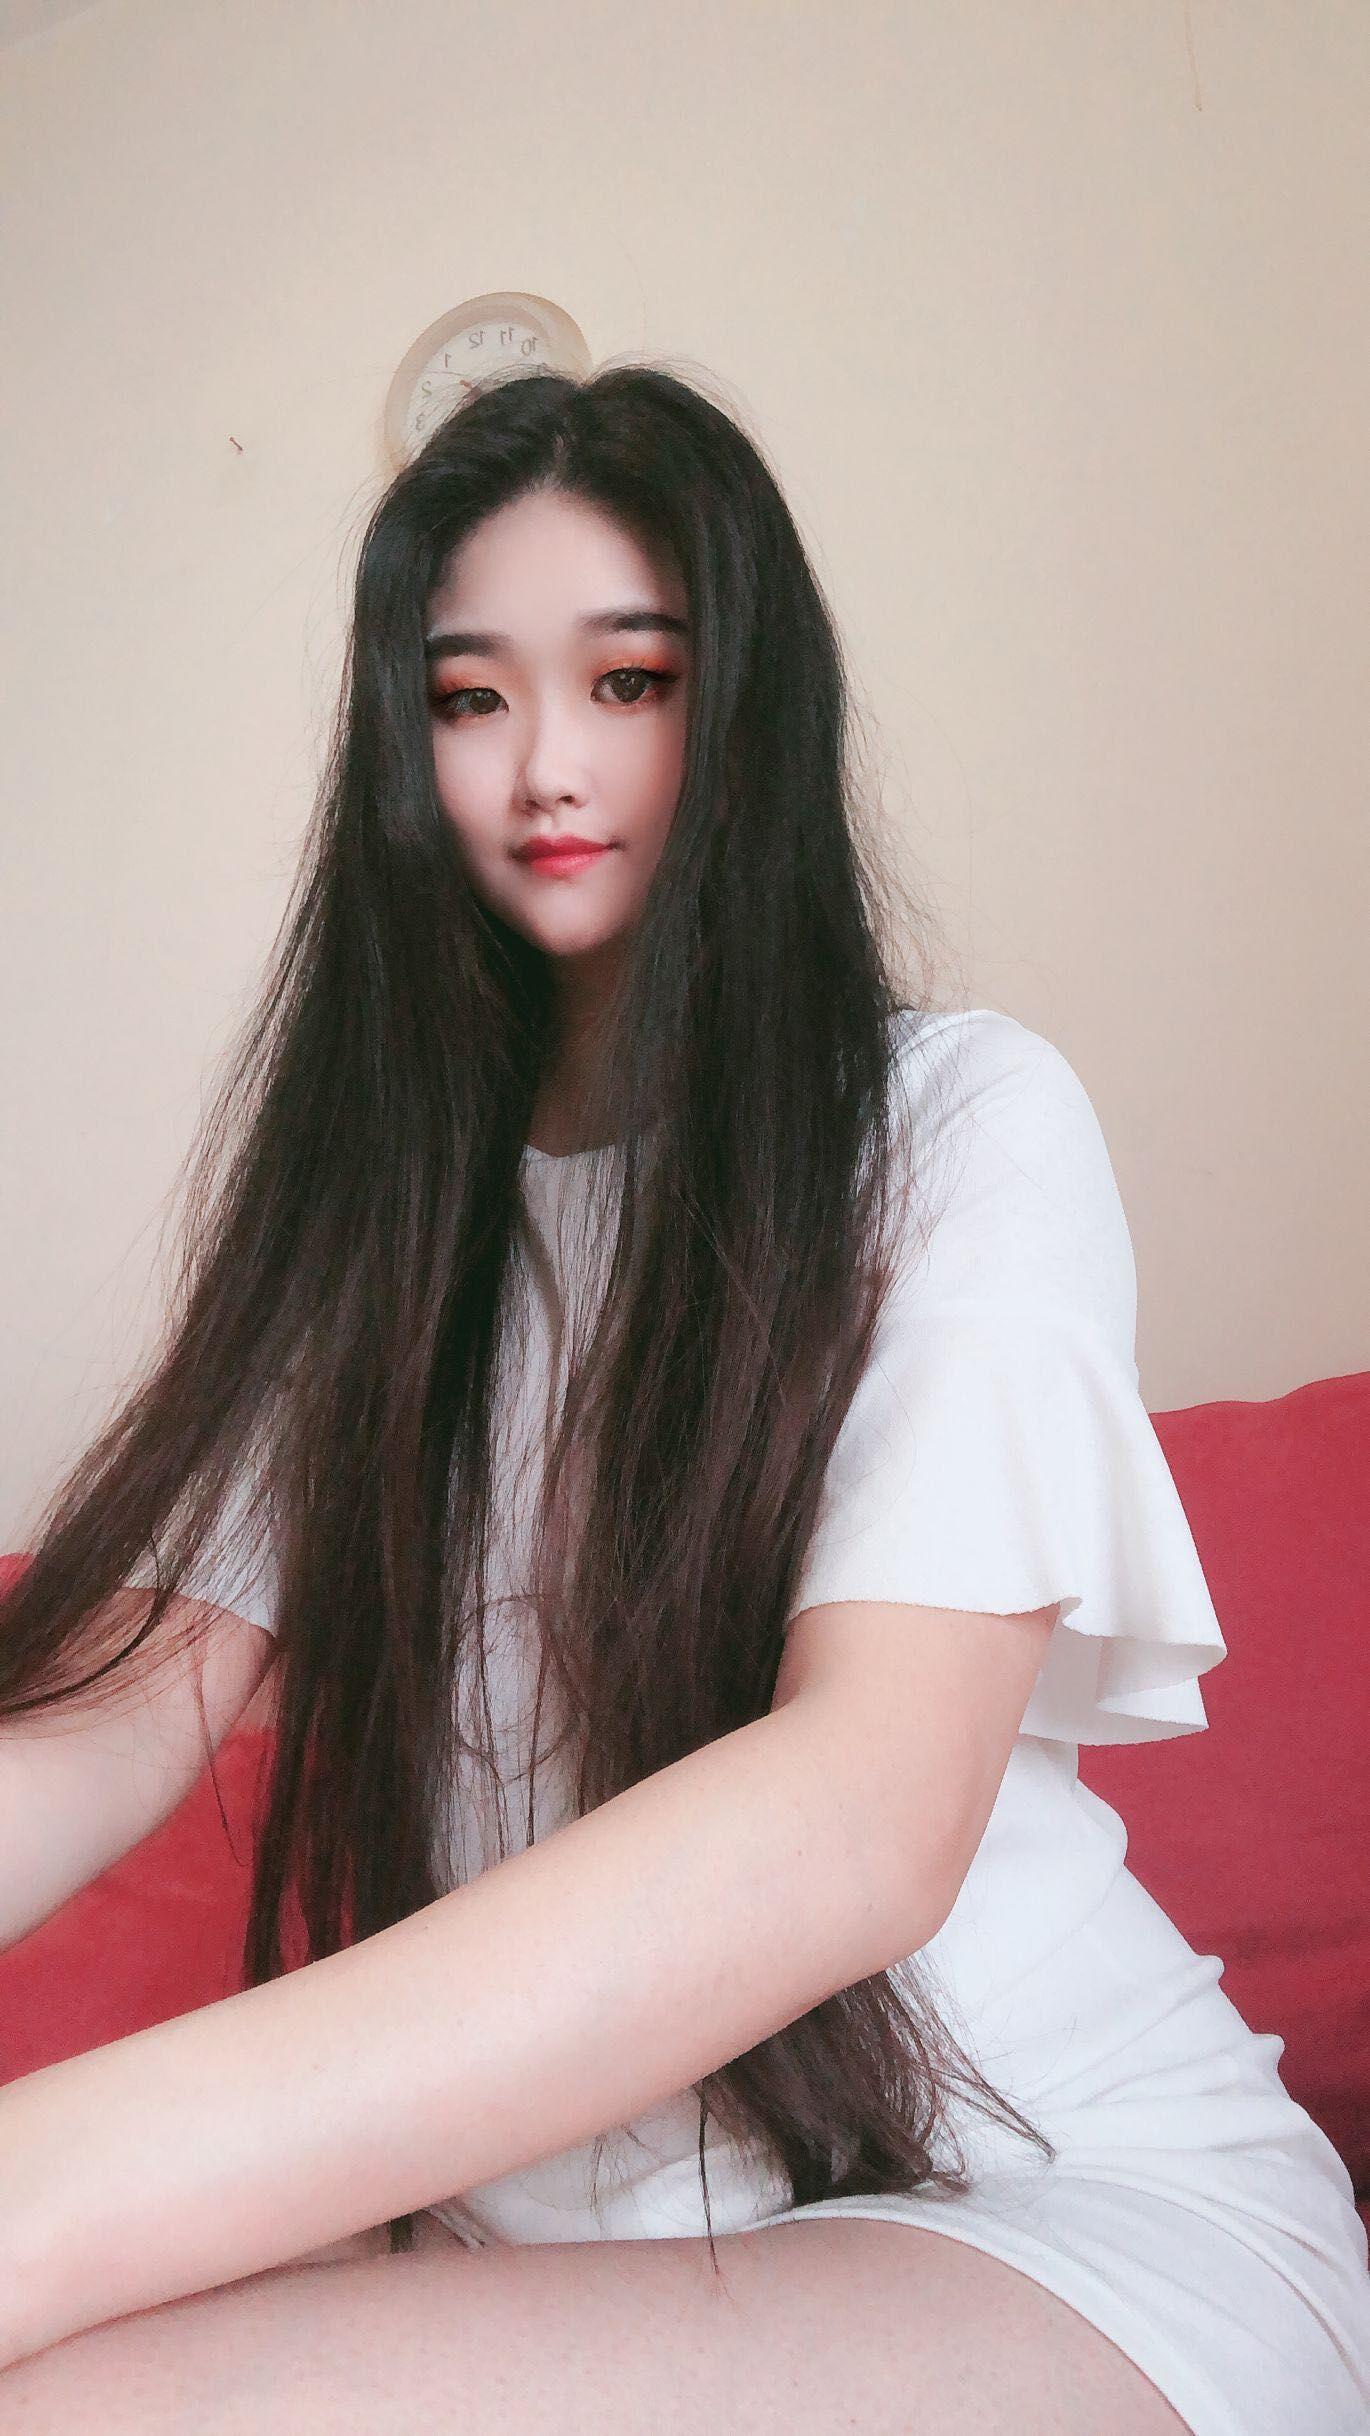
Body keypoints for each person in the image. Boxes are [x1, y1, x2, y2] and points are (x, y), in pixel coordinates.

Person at [1, 364, 1367, 2434]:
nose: (547, 762)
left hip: (1039, 2206)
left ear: (744, 710)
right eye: (470, 698)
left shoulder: (954, 1120)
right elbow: (111, 1713)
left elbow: (857, 1817)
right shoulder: (386, 1232)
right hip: (576, 2276)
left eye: (626, 681)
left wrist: (46, 2184)